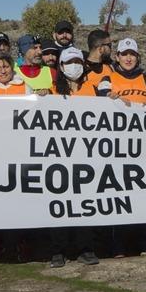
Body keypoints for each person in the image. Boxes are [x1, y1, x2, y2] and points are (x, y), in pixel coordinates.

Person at [46, 46, 102, 267]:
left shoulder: (93, 89)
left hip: (87, 157)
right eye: (69, 62)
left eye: (78, 61)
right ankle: (57, 250)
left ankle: (85, 248)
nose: (74, 66)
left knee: (84, 204)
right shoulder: (51, 90)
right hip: (59, 157)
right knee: (59, 204)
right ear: (61, 66)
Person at [108, 38, 146, 104]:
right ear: (117, 57)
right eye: (124, 54)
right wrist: (114, 98)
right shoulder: (107, 79)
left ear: (137, 58)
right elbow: (101, 99)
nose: (128, 59)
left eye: (132, 54)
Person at [83, 29, 114, 96]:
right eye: (109, 45)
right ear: (100, 49)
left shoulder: (111, 67)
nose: (111, 48)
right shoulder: (81, 71)